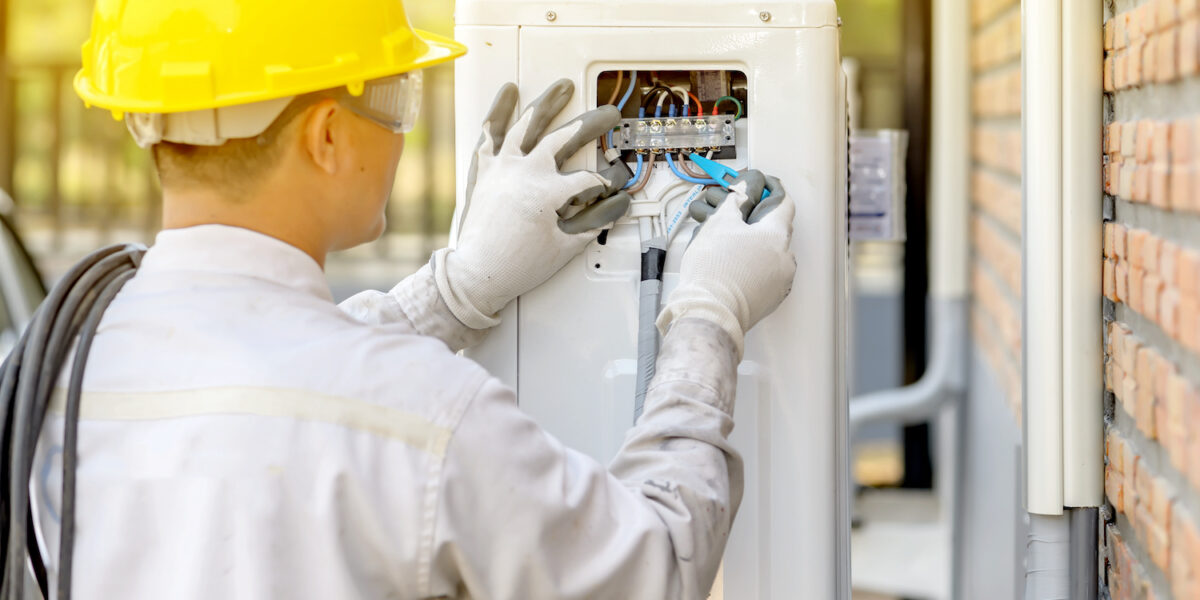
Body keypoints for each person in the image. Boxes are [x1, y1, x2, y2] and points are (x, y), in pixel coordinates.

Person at [30, 1, 797, 598]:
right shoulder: (427, 417)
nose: (399, 131)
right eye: (397, 96)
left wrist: (457, 290)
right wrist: (708, 317)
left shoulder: (47, 383)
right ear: (328, 136)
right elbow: (653, 570)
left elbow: (273, 387)